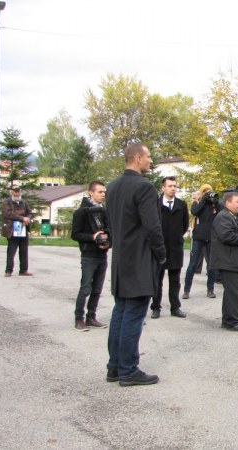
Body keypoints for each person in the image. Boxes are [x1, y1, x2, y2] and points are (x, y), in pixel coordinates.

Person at [105, 143, 165, 387]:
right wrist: (161, 253)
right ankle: (128, 369)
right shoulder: (143, 186)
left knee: (121, 311)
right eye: (148, 156)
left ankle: (115, 366)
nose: (150, 160)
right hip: (139, 258)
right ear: (138, 158)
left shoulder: (112, 186)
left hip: (121, 258)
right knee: (133, 314)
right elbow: (152, 226)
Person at [210, 191, 238, 332]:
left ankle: (228, 320)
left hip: (231, 260)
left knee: (231, 292)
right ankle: (233, 321)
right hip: (228, 261)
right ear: (228, 203)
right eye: (237, 202)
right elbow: (226, 236)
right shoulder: (223, 216)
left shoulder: (230, 216)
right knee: (234, 292)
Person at [71, 180, 111, 331]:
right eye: (100, 192)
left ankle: (91, 317)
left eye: (104, 192)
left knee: (97, 289)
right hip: (88, 255)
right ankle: (79, 319)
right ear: (91, 193)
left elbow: (110, 231)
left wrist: (107, 242)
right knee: (85, 288)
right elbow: (75, 234)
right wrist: (93, 237)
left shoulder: (104, 211)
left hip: (102, 254)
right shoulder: (81, 212)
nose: (103, 195)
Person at [151, 176, 189, 319]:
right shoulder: (156, 204)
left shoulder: (181, 205)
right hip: (160, 247)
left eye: (175, 186)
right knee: (157, 279)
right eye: (170, 186)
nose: (173, 188)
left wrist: (177, 236)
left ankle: (175, 307)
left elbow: (184, 225)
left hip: (175, 247)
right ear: (163, 188)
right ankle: (156, 307)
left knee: (175, 280)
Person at [183, 184, 218, 299]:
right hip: (198, 238)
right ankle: (186, 290)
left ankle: (210, 290)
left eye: (209, 191)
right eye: (205, 191)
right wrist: (203, 200)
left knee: (211, 265)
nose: (208, 193)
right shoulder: (197, 202)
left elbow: (220, 211)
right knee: (192, 264)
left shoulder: (213, 204)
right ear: (202, 193)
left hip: (211, 237)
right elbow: (194, 212)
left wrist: (214, 200)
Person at [1, 185, 33, 277]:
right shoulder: (6, 202)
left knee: (24, 250)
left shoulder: (24, 202)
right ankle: (8, 270)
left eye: (18, 191)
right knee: (11, 251)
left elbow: (30, 213)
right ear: (12, 192)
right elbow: (7, 214)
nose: (17, 193)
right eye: (15, 191)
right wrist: (22, 218)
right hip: (12, 230)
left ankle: (23, 270)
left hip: (23, 229)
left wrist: (27, 219)